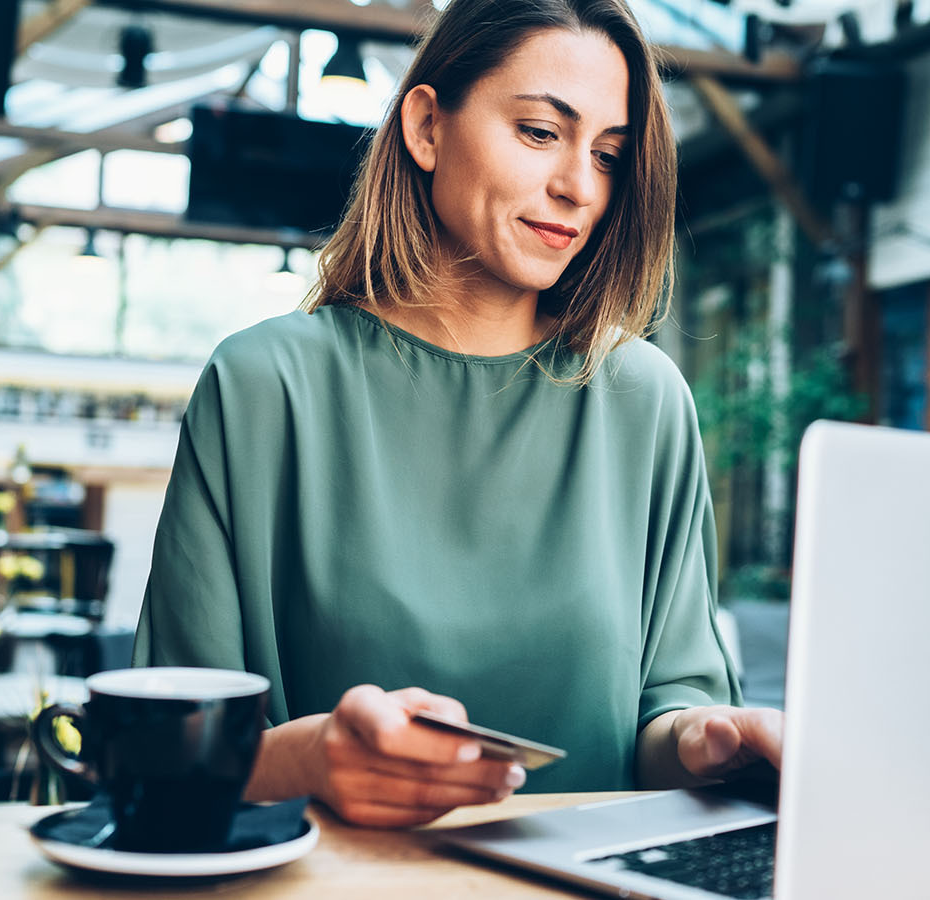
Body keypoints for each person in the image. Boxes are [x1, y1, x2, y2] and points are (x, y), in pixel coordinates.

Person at [135, 0, 783, 828]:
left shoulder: (643, 399)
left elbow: (668, 707)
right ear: (427, 126)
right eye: (541, 133)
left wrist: (706, 738)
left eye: (610, 155)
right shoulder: (263, 386)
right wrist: (308, 759)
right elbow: (165, 752)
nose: (579, 187)